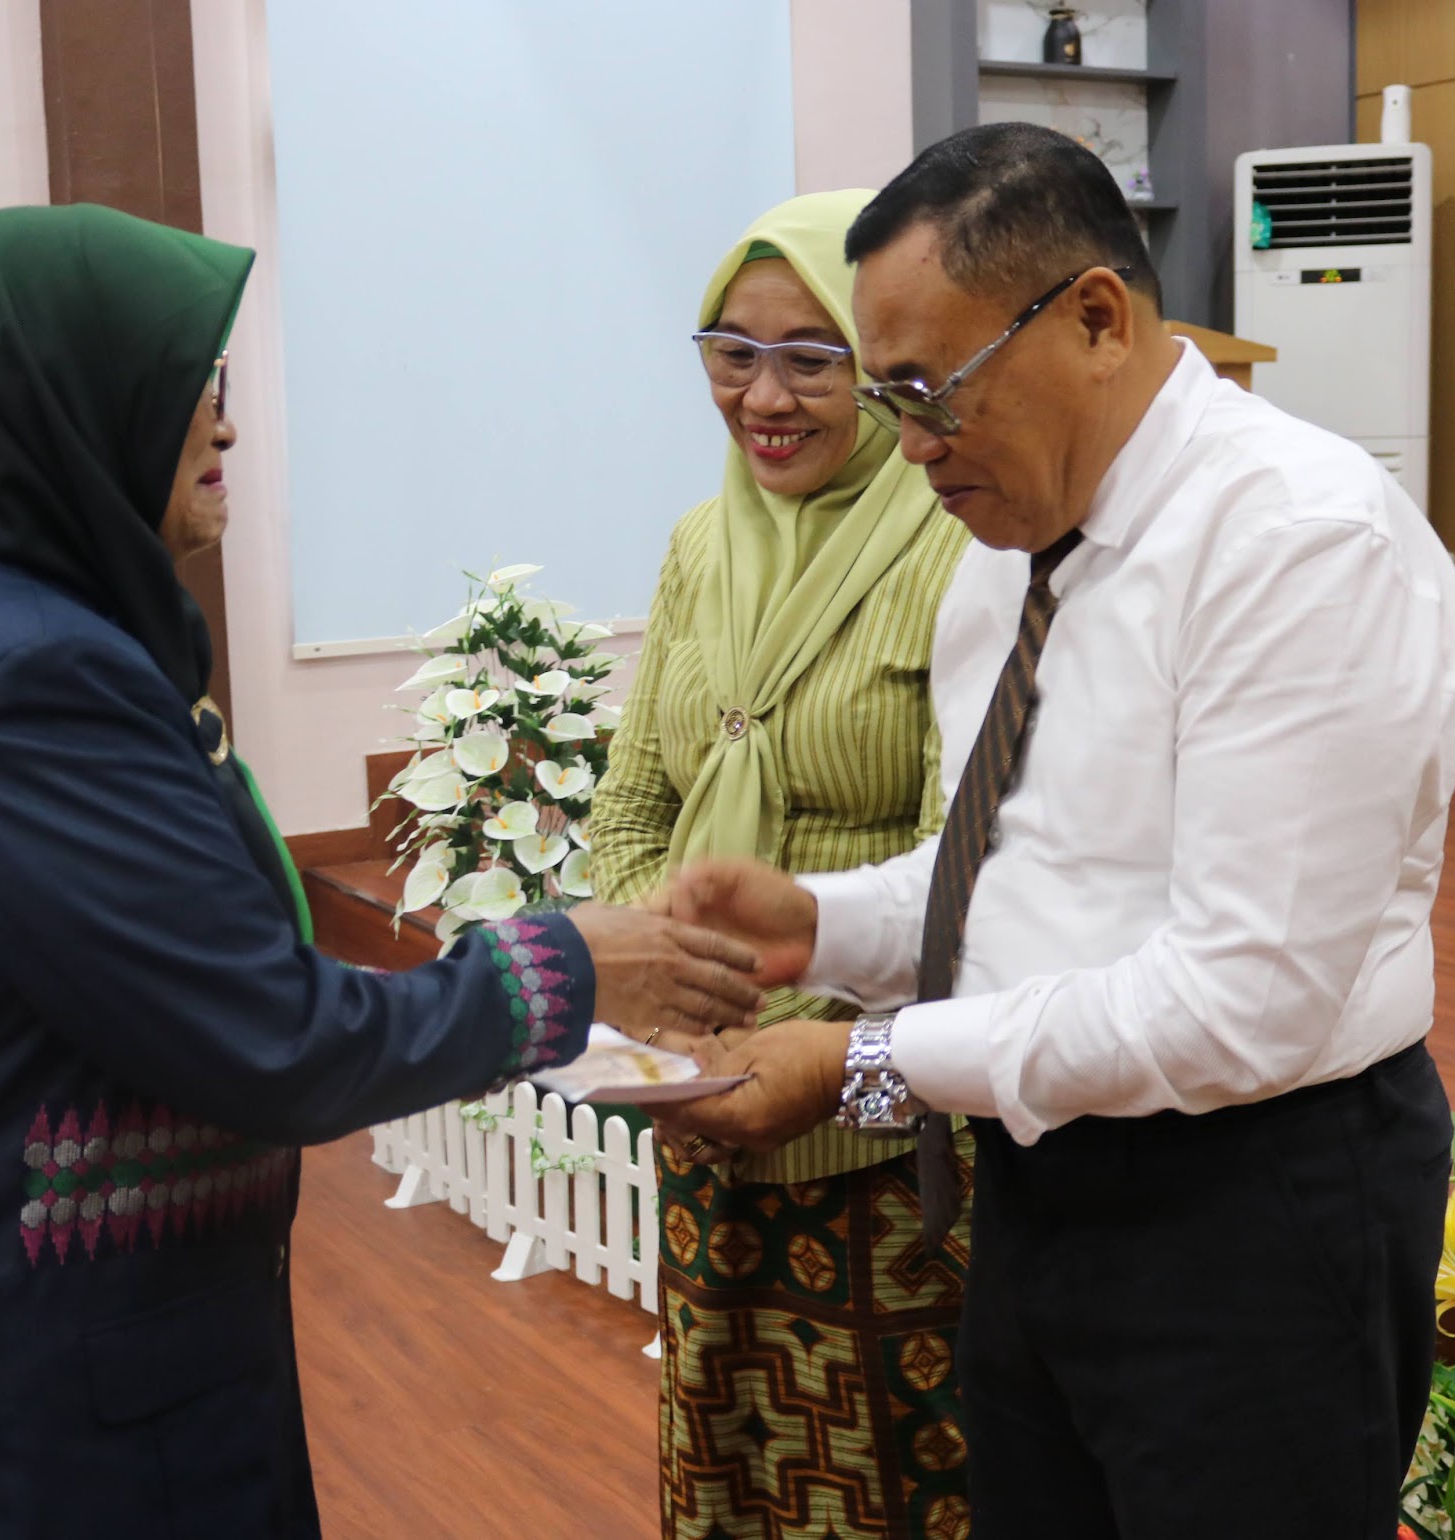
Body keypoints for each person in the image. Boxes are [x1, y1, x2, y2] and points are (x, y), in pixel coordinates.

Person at [0, 204, 762, 1539]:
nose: (225, 426)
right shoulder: (25, 676)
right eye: (192, 381)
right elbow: (274, 1038)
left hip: (70, 1361)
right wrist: (573, 965)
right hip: (33, 1422)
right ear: (66, 398)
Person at [654, 123, 1455, 1539]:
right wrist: (819, 923)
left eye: (934, 390)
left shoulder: (1293, 539)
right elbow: (1020, 871)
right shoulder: (1012, 549)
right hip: (1043, 1173)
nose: (912, 445)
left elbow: (1239, 1006)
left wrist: (861, 1064)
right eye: (888, 395)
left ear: (1096, 318)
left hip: (1254, 1199)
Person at [583, 189, 972, 1540]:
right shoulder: (702, 544)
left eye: (812, 357)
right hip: (707, 1103)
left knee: (904, 1478)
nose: (763, 396)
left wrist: (764, 1041)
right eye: (730, 352)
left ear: (883, 365)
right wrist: (672, 1015)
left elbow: (965, 863)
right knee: (729, 1458)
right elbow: (634, 804)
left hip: (882, 1124)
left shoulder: (961, 540)